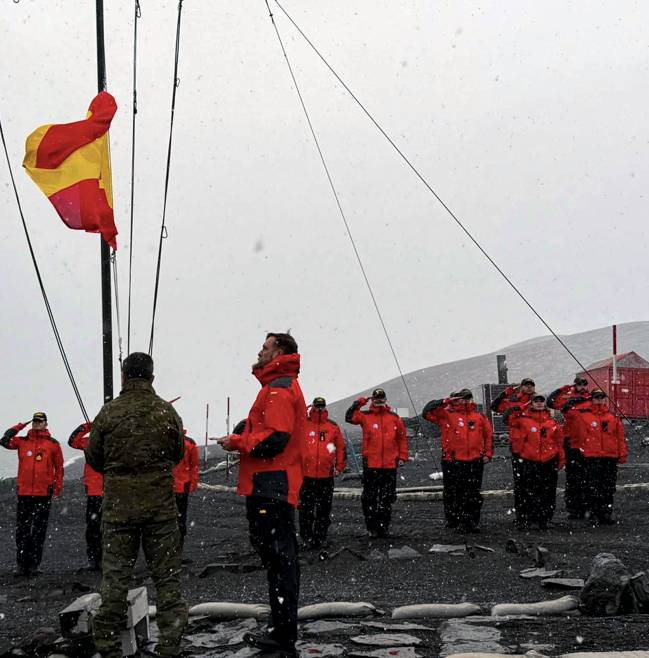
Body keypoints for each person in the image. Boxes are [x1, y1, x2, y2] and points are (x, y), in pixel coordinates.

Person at [85, 352, 187, 658]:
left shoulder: (109, 413)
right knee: (167, 579)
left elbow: (94, 457)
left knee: (115, 580)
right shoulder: (166, 413)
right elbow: (178, 453)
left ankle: (109, 648)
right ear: (152, 378)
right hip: (160, 510)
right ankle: (170, 647)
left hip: (119, 510)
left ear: (124, 377)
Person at [218, 333, 306, 658]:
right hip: (270, 485)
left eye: (265, 347)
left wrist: (239, 442)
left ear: (279, 352)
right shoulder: (276, 387)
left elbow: (276, 440)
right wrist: (247, 431)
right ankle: (279, 630)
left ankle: (282, 637)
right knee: (277, 559)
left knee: (280, 560)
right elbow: (272, 433)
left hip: (272, 486)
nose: (260, 351)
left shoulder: (279, 389)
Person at [1, 411, 63, 577]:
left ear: (46, 424)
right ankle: (22, 565)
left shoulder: (53, 444)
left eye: (40, 421)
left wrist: (57, 489)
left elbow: (59, 468)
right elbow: (4, 440)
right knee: (22, 530)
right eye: (35, 421)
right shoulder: (22, 441)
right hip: (25, 492)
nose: (37, 424)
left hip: (43, 493)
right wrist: (20, 425)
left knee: (38, 530)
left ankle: (34, 565)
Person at [422, 389, 493, 533]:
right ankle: (455, 520)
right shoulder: (446, 414)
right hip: (454, 461)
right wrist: (446, 401)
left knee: (473, 493)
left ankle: (472, 521)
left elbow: (488, 436)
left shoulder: (479, 417)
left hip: (475, 460)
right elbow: (426, 412)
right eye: (462, 398)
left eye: (468, 398)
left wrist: (488, 454)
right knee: (455, 493)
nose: (465, 401)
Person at [345, 388, 408, 538]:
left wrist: (403, 456)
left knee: (387, 498)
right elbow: (348, 417)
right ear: (372, 400)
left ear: (386, 400)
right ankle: (372, 528)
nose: (379, 401)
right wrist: (358, 403)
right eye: (376, 398)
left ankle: (383, 527)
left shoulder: (395, 417)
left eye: (382, 398)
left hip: (389, 465)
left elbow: (401, 438)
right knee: (369, 498)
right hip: (371, 465)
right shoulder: (364, 416)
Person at [562, 389, 627, 525]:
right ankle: (593, 513)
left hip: (610, 457)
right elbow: (566, 412)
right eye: (596, 397)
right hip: (591, 456)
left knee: (608, 487)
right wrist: (571, 402)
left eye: (601, 397)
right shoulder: (583, 415)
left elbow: (619, 437)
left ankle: (606, 513)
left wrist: (622, 453)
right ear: (592, 399)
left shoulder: (612, 417)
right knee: (592, 486)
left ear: (605, 399)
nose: (599, 399)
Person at [503, 395, 564, 530]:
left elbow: (559, 441)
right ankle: (529, 519)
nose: (539, 403)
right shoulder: (522, 419)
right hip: (529, 460)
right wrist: (520, 407)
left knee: (548, 491)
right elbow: (507, 418)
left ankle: (545, 519)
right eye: (535, 401)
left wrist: (561, 459)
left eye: (541, 401)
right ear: (531, 403)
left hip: (549, 460)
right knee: (529, 491)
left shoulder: (552, 421)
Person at [299, 396, 346, 549]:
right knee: (306, 509)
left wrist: (339, 466)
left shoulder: (332, 426)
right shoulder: (302, 424)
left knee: (324, 509)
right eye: (317, 406)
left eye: (322, 406)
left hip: (326, 476)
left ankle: (321, 537)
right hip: (306, 476)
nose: (319, 409)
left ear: (325, 407)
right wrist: (301, 410)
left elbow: (339, 447)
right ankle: (307, 538)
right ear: (312, 407)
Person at [491, 378, 536, 521]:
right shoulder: (512, 402)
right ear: (521, 387)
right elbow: (495, 406)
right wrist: (505, 393)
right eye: (526, 385)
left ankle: (536, 514)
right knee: (521, 483)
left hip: (537, 447)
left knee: (537, 482)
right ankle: (522, 515)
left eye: (531, 385)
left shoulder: (539, 402)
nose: (529, 388)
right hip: (519, 447)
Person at [547, 376, 590, 519]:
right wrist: (562, 390)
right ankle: (573, 509)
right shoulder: (567, 399)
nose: (582, 386)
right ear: (575, 385)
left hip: (589, 445)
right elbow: (551, 402)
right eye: (579, 384)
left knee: (589, 478)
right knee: (573, 478)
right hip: (572, 443)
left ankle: (587, 507)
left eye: (584, 384)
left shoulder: (592, 398)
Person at [68, 421, 103, 570]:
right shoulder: (89, 442)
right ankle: (94, 560)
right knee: (93, 528)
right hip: (95, 492)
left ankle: (107, 560)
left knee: (113, 527)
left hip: (113, 491)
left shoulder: (117, 440)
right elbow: (72, 441)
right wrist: (88, 425)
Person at [173, 429, 200, 550]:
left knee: (165, 520)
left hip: (166, 488)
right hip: (181, 488)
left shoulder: (163, 442)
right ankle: (178, 549)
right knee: (180, 519)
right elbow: (194, 465)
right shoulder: (189, 443)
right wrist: (193, 484)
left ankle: (170, 550)